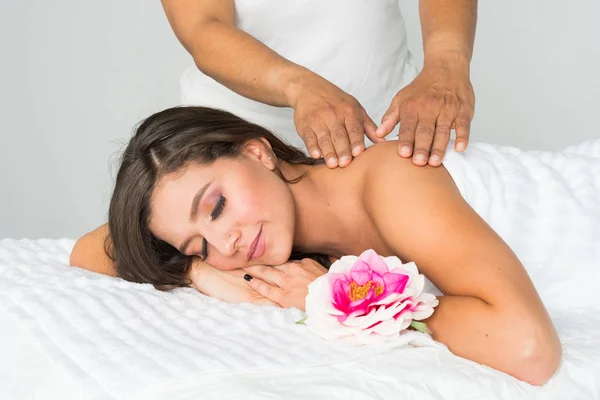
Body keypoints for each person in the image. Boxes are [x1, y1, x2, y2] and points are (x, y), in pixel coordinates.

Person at [68, 105, 600, 386]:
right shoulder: (271, 242)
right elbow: (91, 250)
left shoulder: (391, 182)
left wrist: (341, 298)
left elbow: (529, 349)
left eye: (216, 206)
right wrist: (196, 273)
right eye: (198, 246)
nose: (225, 244)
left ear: (257, 153)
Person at [161, 0, 477, 168]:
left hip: (395, 129)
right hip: (240, 148)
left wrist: (447, 65)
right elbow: (203, 26)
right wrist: (301, 87)